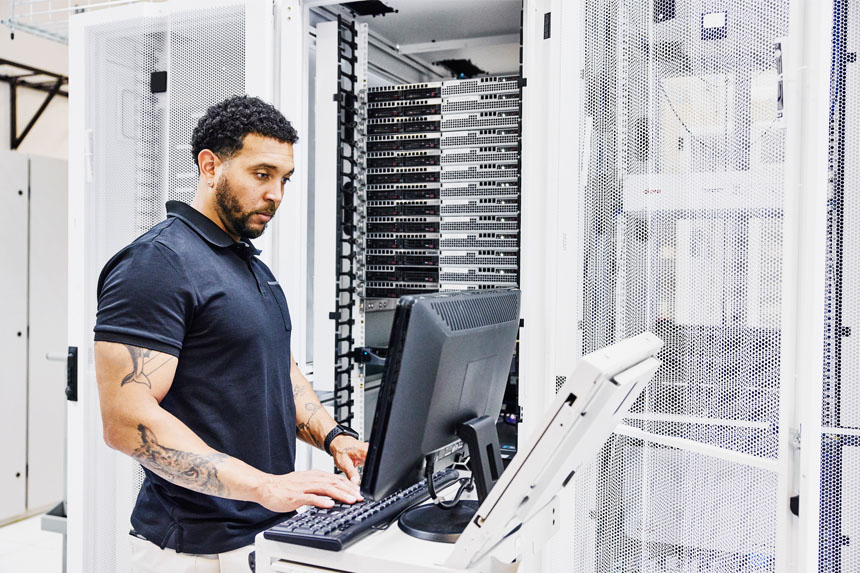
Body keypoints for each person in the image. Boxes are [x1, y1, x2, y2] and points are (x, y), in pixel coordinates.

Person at [93, 95, 367, 572]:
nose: (276, 194)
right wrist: (265, 486)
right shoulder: (158, 263)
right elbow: (125, 421)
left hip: (266, 533)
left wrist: (334, 438)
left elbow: (279, 372)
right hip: (195, 550)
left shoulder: (248, 266)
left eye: (284, 179)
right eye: (261, 174)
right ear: (210, 165)